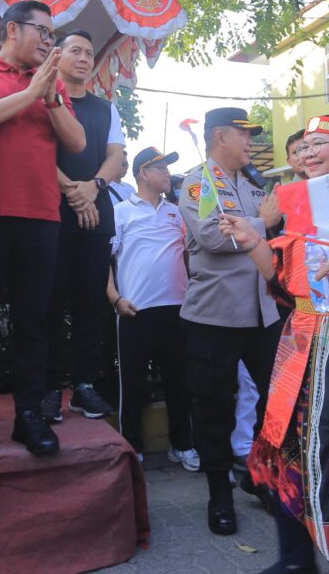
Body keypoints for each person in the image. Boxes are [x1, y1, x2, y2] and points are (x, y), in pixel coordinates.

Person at [220, 114, 329, 574]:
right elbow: (284, 284)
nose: (307, 152)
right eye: (304, 145)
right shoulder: (298, 200)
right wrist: (254, 240)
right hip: (300, 336)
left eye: (320, 143)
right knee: (282, 442)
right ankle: (295, 560)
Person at [0, 0, 86, 462]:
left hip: (40, 215)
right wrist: (31, 94)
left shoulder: (53, 84)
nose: (48, 42)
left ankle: (29, 415)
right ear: (12, 29)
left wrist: (50, 96)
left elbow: (77, 142)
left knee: (33, 321)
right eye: (42, 32)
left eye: (51, 35)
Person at [179, 107, 282, 536]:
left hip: (263, 313)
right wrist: (265, 222)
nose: (251, 143)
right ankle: (219, 492)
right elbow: (212, 235)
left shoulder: (255, 185)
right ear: (220, 137)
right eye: (245, 135)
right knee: (214, 408)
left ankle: (258, 475)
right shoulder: (199, 182)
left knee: (276, 403)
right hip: (215, 316)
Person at [43, 30, 125, 422]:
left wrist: (93, 188)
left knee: (91, 304)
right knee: (49, 304)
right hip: (49, 214)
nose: (84, 58)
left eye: (89, 53)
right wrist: (73, 192)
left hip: (97, 211)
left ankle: (85, 386)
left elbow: (115, 156)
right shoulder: (43, 99)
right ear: (57, 57)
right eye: (75, 51)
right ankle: (47, 387)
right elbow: (36, 153)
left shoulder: (106, 109)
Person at [107, 146, 198, 470]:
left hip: (177, 309)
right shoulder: (121, 212)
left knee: (179, 382)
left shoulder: (177, 212)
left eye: (167, 168)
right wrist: (115, 298)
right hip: (135, 309)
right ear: (143, 173)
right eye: (160, 168)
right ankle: (133, 448)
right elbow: (104, 261)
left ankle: (182, 445)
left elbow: (188, 257)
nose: (167, 174)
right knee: (133, 384)